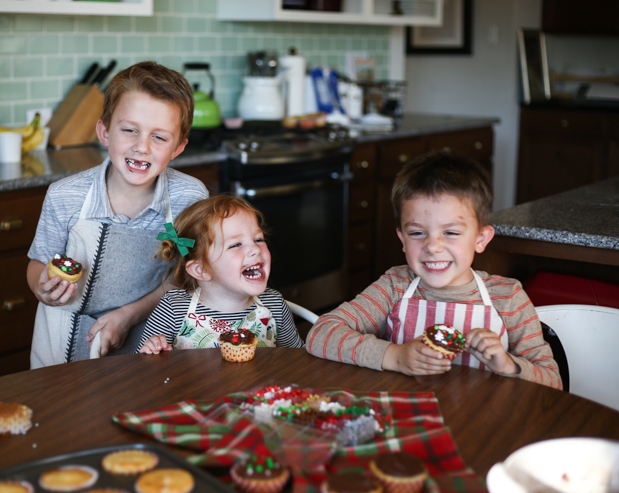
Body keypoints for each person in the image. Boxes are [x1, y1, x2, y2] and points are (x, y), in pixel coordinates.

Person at [305, 151, 562, 388]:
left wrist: (508, 364)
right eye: (417, 233)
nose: (432, 246)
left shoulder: (508, 297)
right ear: (403, 240)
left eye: (450, 232)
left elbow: (552, 380)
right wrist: (396, 356)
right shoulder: (395, 286)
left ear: (481, 239)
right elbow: (320, 334)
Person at [27, 61, 208, 368]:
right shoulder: (65, 196)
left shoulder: (189, 198)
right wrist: (41, 287)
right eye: (129, 130)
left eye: (159, 137)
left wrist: (128, 316)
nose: (142, 147)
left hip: (150, 343)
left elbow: (183, 278)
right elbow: (38, 262)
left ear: (178, 147)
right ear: (104, 131)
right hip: (61, 348)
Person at [137, 195, 305, 353]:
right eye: (236, 244)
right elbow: (141, 367)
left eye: (258, 239)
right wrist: (153, 352)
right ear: (200, 270)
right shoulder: (174, 308)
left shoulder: (274, 305)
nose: (255, 249)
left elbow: (297, 361)